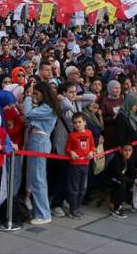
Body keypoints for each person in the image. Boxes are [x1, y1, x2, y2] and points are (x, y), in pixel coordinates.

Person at [22, 81, 59, 226]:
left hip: (40, 141)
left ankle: (43, 213)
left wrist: (28, 97)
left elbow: (28, 113)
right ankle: (41, 211)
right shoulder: (44, 107)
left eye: (37, 93)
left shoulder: (47, 108)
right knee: (35, 178)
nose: (34, 96)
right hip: (36, 140)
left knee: (38, 179)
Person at [64, 111, 95, 217]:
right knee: (74, 188)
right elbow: (67, 148)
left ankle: (77, 207)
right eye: (75, 122)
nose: (77, 124)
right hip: (75, 165)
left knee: (83, 188)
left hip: (86, 164)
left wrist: (91, 152)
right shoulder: (72, 135)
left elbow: (92, 146)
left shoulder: (89, 133)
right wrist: (71, 152)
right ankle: (73, 209)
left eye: (79, 122)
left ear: (85, 122)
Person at [106, 142, 136, 218]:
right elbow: (118, 175)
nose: (128, 153)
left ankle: (132, 201)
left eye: (130, 150)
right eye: (125, 150)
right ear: (121, 150)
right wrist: (132, 181)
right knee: (122, 184)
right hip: (109, 179)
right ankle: (117, 208)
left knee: (135, 180)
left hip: (118, 178)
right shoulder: (116, 160)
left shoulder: (128, 159)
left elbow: (133, 171)